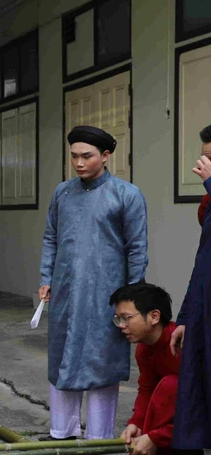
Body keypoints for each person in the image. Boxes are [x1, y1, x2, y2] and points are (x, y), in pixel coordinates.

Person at [39, 125, 148, 441]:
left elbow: (137, 248)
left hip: (107, 294)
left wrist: (132, 297)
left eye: (86, 156)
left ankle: (99, 438)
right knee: (61, 360)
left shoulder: (126, 195)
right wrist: (47, 277)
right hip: (65, 291)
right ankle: (62, 430)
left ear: (106, 155)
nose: (79, 163)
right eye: (74, 156)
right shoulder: (63, 192)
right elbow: (51, 237)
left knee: (102, 363)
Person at [172, 123, 211, 451]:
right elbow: (202, 263)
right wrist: (185, 317)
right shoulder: (208, 203)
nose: (204, 166)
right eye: (205, 158)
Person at [110, 283, 181, 455]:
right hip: (174, 430)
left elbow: (201, 404)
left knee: (170, 384)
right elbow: (146, 390)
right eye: (118, 318)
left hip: (194, 427)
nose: (120, 325)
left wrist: (157, 437)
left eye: (126, 317)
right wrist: (136, 423)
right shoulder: (144, 349)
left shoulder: (183, 346)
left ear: (154, 316)